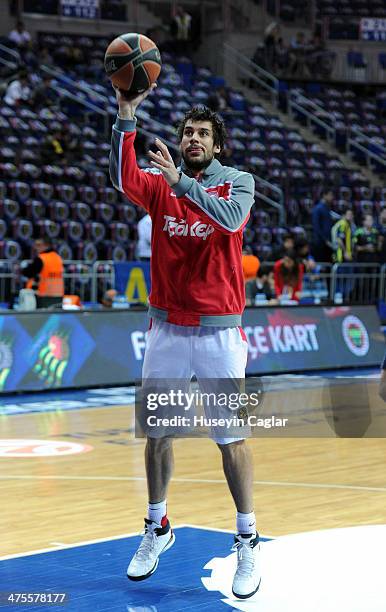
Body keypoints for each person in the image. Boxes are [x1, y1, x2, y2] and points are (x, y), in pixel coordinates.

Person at [109, 89, 260, 599]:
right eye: (187, 133)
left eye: (202, 134)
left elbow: (230, 220)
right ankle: (157, 525)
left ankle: (247, 536)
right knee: (158, 434)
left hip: (219, 330)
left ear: (217, 145)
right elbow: (121, 177)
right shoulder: (158, 185)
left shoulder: (238, 183)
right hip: (167, 329)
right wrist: (126, 114)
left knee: (230, 439)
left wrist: (181, 183)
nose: (192, 139)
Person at [22, 238, 64, 308]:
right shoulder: (58, 257)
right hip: (58, 295)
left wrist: (22, 270)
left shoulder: (41, 259)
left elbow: (28, 273)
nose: (36, 248)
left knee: (41, 317)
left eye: (38, 245)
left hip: (43, 296)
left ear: (46, 245)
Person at [311, 189, 334, 263]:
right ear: (324, 195)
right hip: (320, 243)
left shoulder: (327, 208)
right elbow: (316, 226)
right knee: (321, 265)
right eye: (330, 195)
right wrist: (325, 240)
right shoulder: (318, 208)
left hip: (328, 243)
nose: (332, 197)